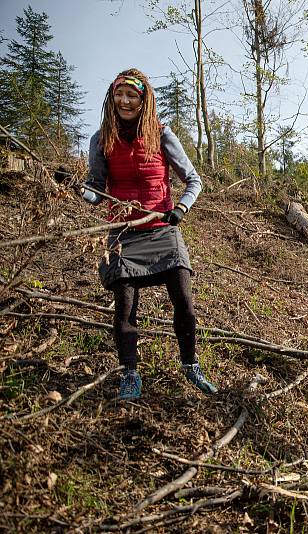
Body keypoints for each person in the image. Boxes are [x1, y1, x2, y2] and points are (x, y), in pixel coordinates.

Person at [78, 68, 217, 400]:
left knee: (184, 302)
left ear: (144, 100)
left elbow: (194, 180)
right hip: (123, 234)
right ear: (112, 98)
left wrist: (179, 209)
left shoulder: (162, 134)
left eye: (132, 96)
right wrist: (75, 189)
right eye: (119, 95)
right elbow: (97, 191)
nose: (125, 101)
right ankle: (129, 374)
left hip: (162, 230)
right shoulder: (101, 139)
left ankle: (189, 365)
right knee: (125, 307)